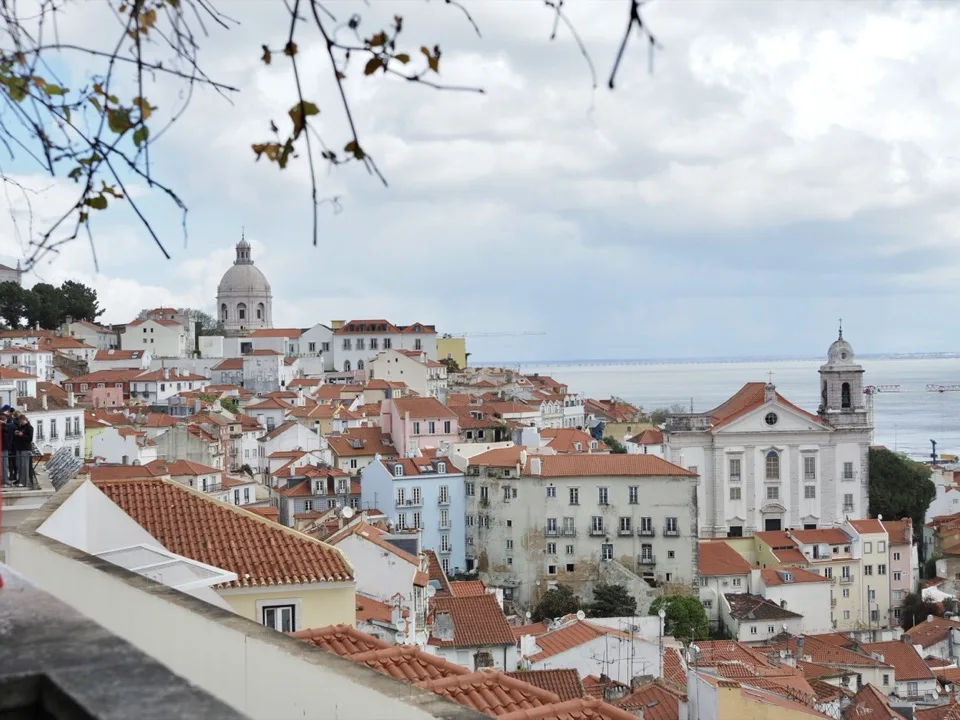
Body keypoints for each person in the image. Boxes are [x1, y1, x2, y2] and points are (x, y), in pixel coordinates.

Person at [13, 413, 34, 488]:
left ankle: (24, 482)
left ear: (24, 420)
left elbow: (30, 439)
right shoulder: (20, 427)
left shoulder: (29, 427)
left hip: (25, 448)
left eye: (21, 421)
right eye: (19, 422)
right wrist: (16, 434)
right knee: (19, 465)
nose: (20, 423)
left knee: (24, 466)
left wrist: (22, 435)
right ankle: (20, 480)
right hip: (19, 448)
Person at [0, 406, 12, 487]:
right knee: (4, 465)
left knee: (4, 465)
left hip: (4, 448)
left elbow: (10, 429)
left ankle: (5, 480)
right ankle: (4, 480)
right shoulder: (4, 427)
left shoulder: (6, 427)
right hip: (3, 448)